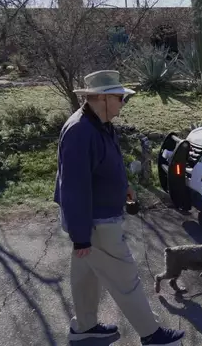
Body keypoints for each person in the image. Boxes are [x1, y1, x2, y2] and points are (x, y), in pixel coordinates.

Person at [53, 70, 185, 345]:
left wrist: (122, 185)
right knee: (126, 279)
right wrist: (81, 237)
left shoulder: (100, 123)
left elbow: (106, 161)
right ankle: (153, 335)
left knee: (85, 277)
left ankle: (84, 327)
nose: (124, 102)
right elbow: (74, 188)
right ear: (101, 98)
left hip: (94, 219)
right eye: (121, 98)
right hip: (96, 222)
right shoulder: (80, 131)